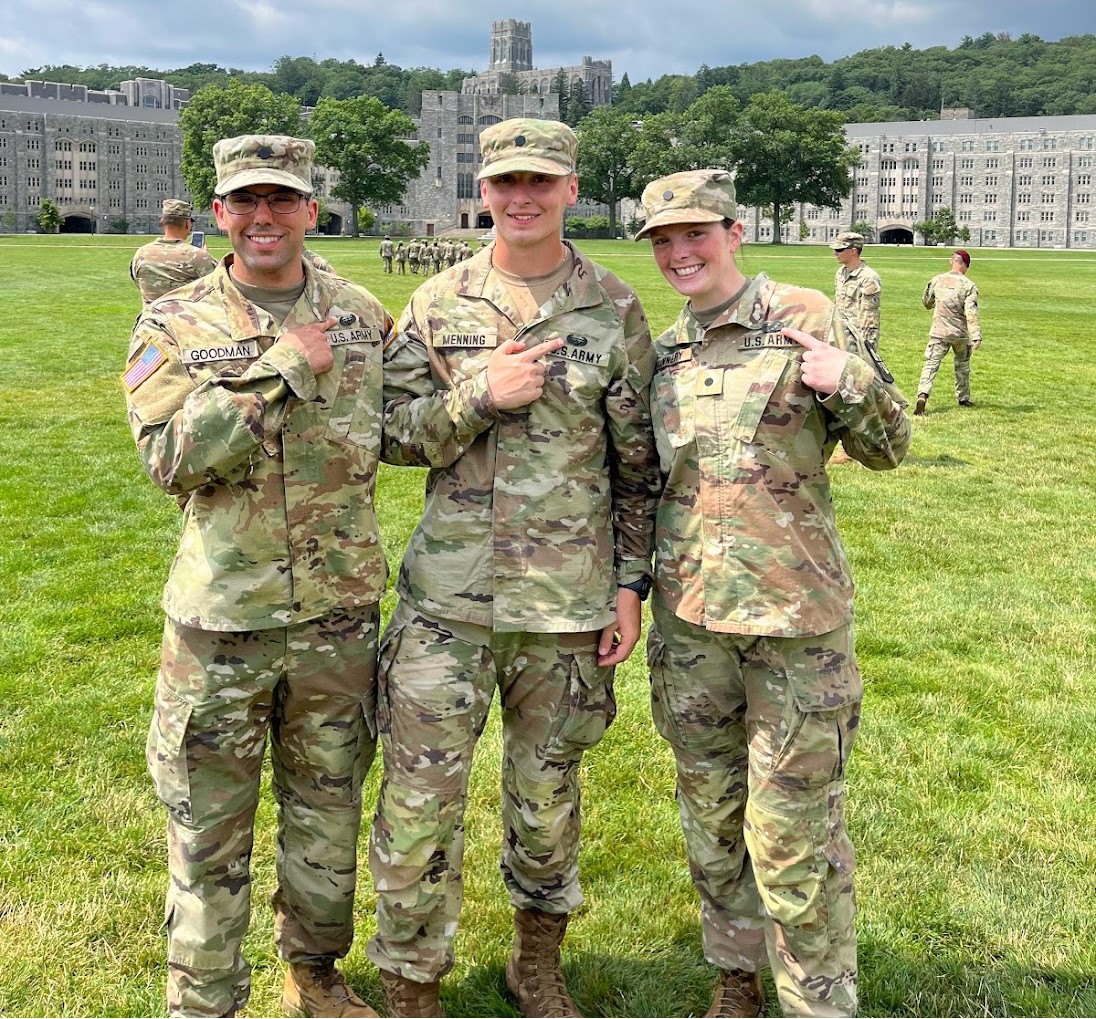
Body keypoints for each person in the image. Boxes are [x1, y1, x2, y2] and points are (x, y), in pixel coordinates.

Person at [369, 117, 660, 1019]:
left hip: (565, 607)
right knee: (418, 806)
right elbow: (388, 433)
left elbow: (638, 468)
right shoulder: (436, 304)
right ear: (483, 189)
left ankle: (535, 963)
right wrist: (474, 397)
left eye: (541, 179)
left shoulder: (613, 310)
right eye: (505, 181)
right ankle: (412, 980)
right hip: (447, 605)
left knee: (546, 802)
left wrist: (629, 585)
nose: (522, 197)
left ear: (572, 188)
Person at [122, 133, 393, 1019]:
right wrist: (277, 370)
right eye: (246, 201)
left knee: (329, 817)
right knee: (207, 831)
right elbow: (167, 456)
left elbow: (414, 428)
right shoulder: (175, 322)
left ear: (311, 210)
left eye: (282, 200)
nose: (264, 217)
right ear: (218, 213)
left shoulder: (361, 313)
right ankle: (205, 1002)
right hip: (221, 625)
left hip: (336, 622)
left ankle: (314, 972)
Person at [635, 169, 911, 1018]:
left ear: (734, 231)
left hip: (795, 625)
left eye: (696, 233)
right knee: (713, 822)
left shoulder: (807, 318)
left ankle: (819, 1002)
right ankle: (736, 980)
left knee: (794, 837)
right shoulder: (666, 351)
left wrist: (848, 383)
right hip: (691, 624)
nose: (681, 252)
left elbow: (890, 446)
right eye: (664, 240)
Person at [915, 249, 983, 415]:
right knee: (962, 366)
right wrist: (976, 336)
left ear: (951, 261)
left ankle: (923, 394)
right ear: (965, 266)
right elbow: (971, 312)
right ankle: (963, 398)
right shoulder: (969, 286)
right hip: (959, 334)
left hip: (939, 332)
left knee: (931, 365)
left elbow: (927, 302)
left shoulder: (937, 280)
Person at [129, 198, 215, 305]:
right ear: (187, 224)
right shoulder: (196, 256)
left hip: (150, 320)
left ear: (162, 222)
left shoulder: (141, 253)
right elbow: (218, 288)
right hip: (183, 320)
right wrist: (203, 256)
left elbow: (138, 282)